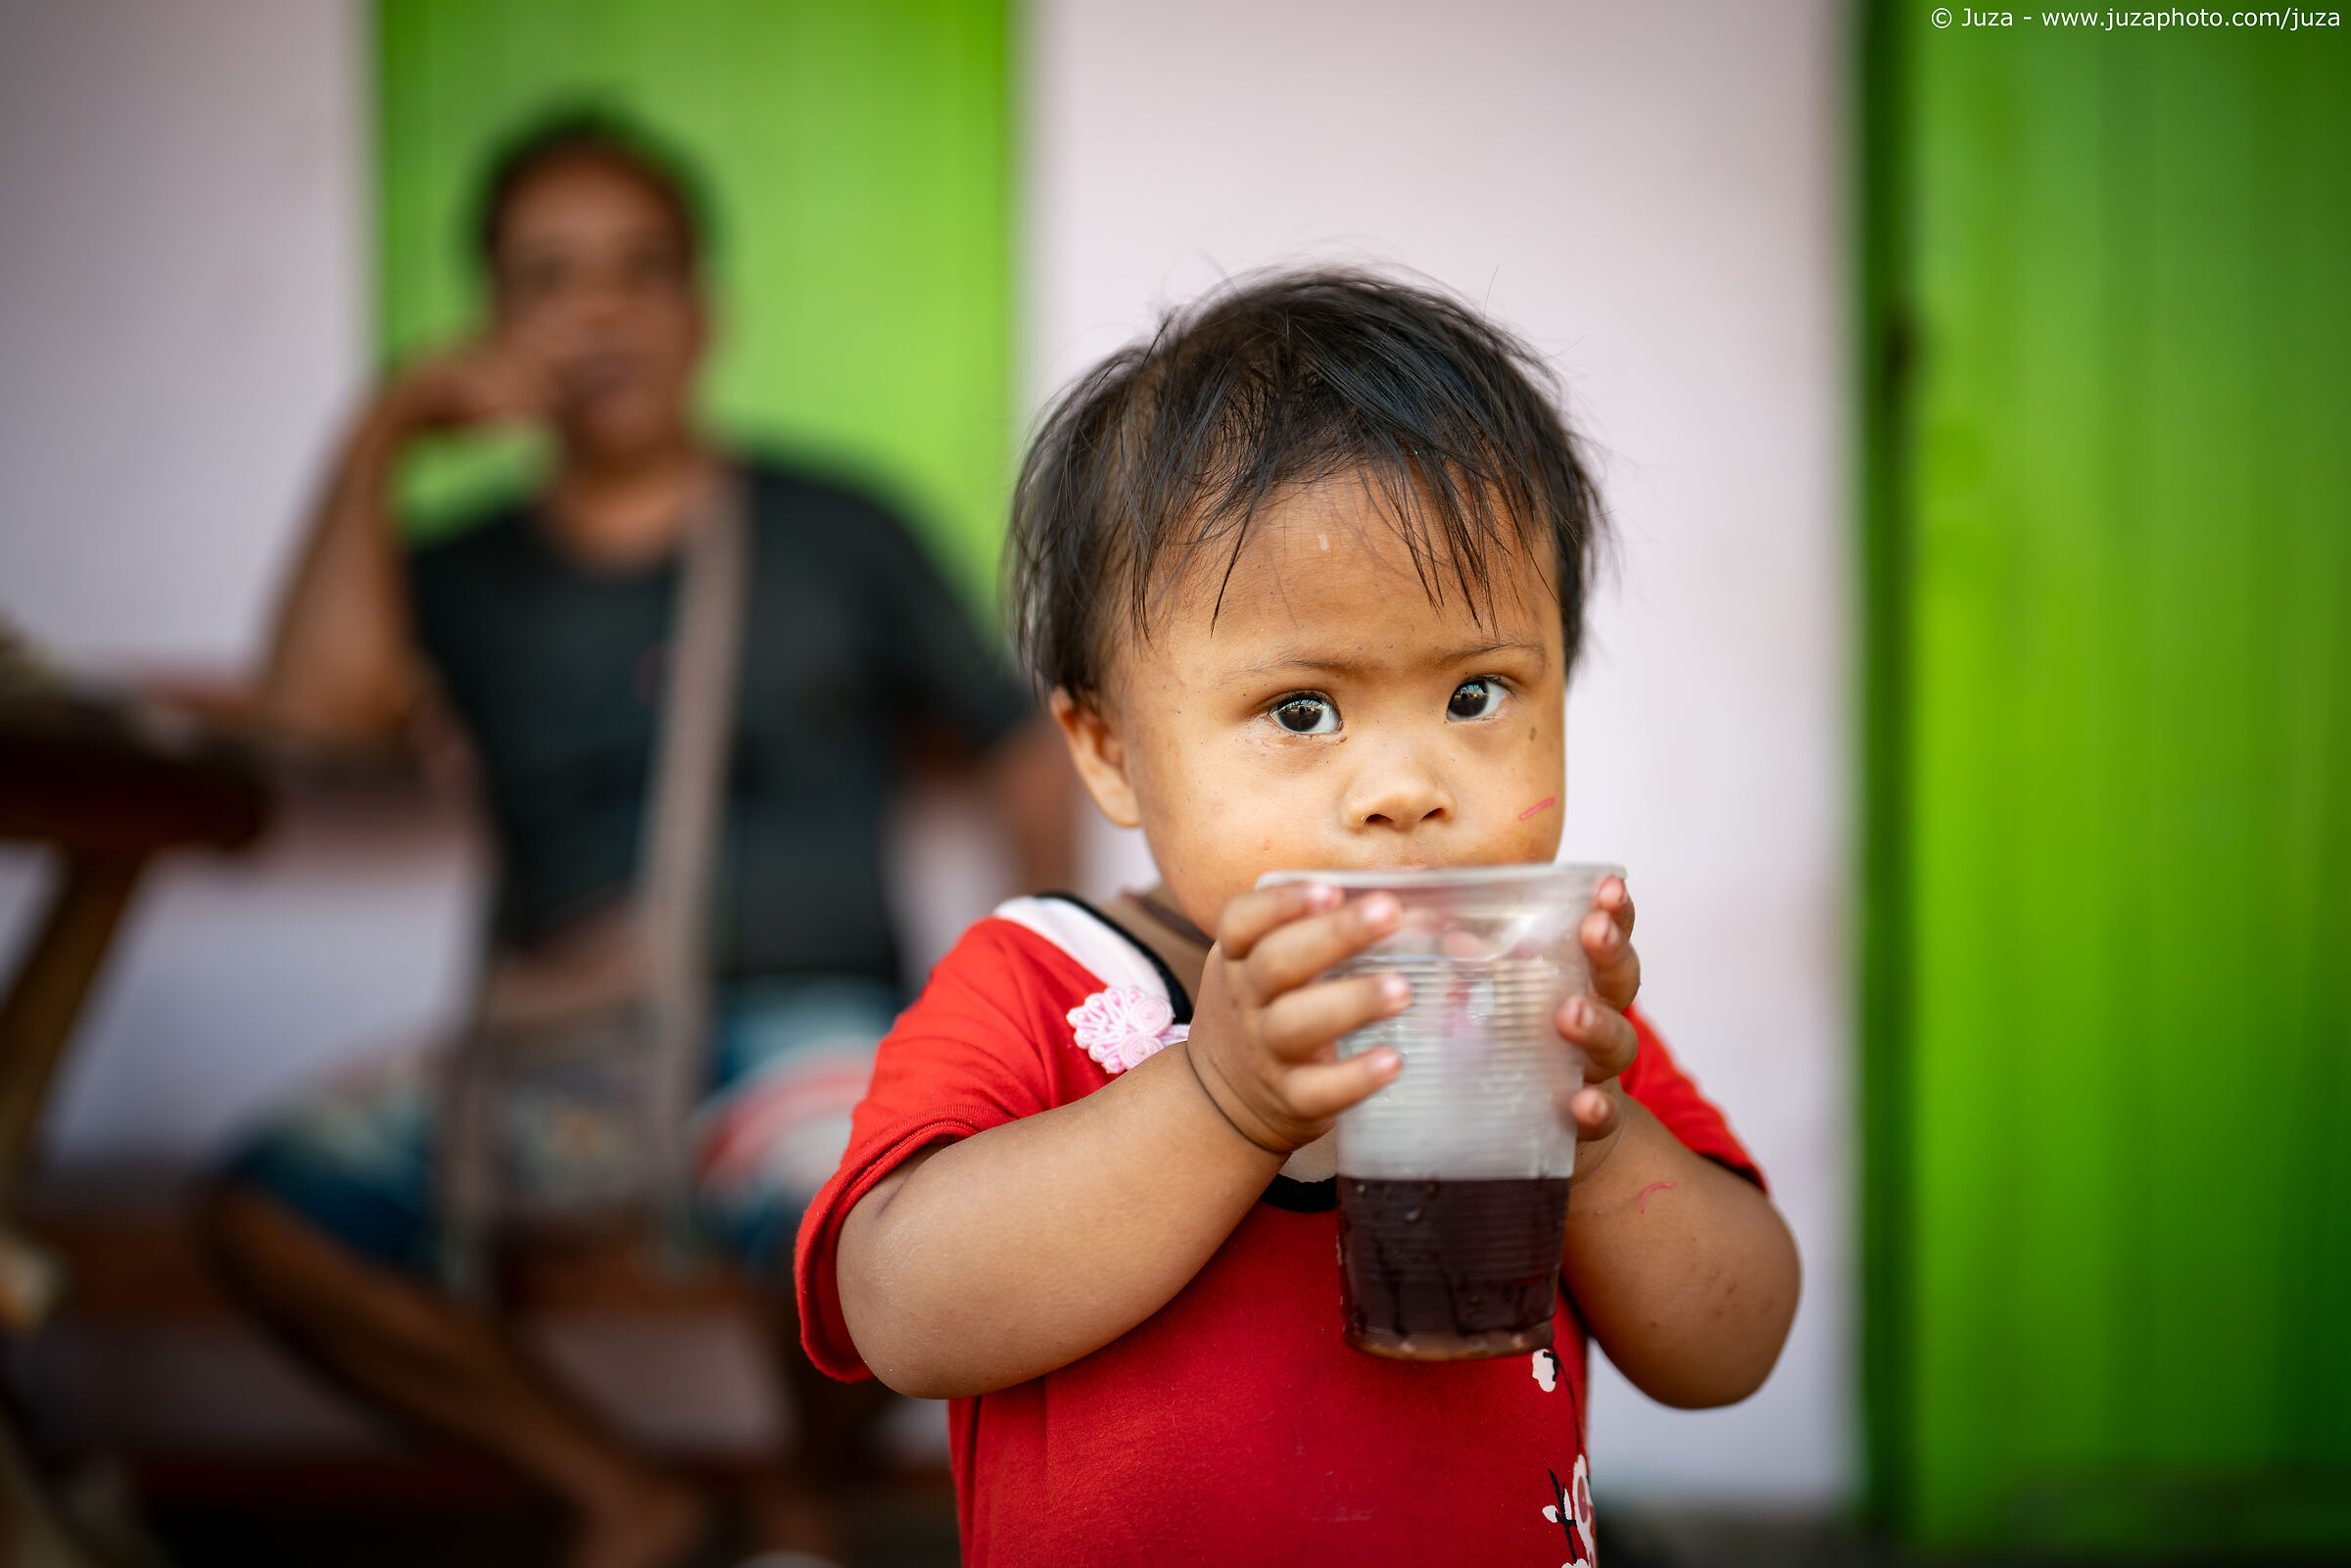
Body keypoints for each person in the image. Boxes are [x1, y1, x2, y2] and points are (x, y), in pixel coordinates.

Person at [793, 271, 1800, 1563]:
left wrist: (1591, 1145)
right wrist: (1222, 1099)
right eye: (1302, 710)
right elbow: (902, 1314)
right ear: (1108, 749)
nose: (1403, 791)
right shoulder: (1038, 986)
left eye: (1480, 693)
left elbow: (1735, 1340)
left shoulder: (1541, 1007)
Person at [203, 115, 1071, 1568]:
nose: (597, 309)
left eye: (636, 270)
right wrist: (384, 431)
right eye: (548, 277)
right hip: (562, 1052)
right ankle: (619, 1495)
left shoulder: (837, 526)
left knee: (871, 1206)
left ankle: (804, 1492)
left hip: (812, 1032)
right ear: (493, 317)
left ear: (701, 311)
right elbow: (310, 718)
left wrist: (1037, 1002)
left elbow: (1020, 745)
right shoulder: (466, 565)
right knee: (265, 1216)